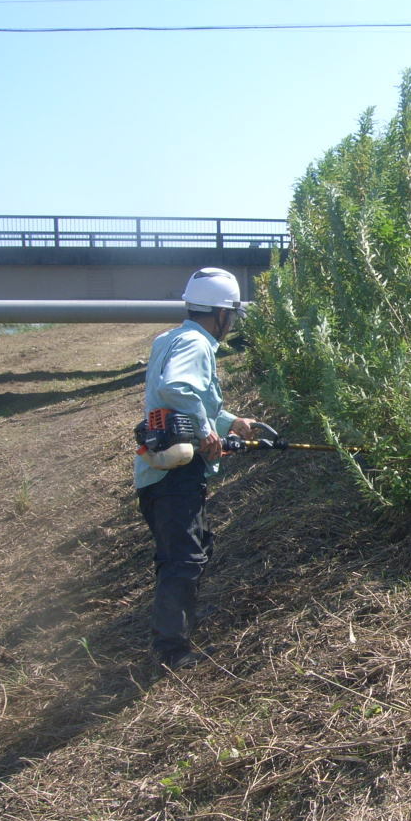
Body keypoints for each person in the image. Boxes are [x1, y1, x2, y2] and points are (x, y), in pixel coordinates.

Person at [135, 267, 257, 670]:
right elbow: (177, 388)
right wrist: (208, 433)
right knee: (184, 559)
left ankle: (178, 625)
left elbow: (193, 402)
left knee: (193, 549)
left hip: (160, 470)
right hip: (176, 472)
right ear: (222, 313)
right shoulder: (197, 343)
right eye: (232, 316)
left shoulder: (170, 337)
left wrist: (230, 423)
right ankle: (171, 649)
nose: (230, 324)